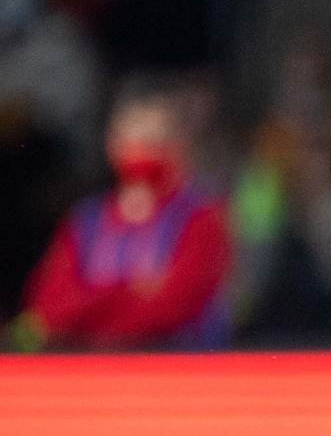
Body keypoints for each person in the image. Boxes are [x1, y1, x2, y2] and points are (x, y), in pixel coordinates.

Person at [15, 78, 230, 351]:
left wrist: (90, 300)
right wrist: (132, 291)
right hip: (90, 365)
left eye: (154, 142)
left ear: (179, 146)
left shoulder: (201, 219)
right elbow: (48, 307)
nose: (141, 152)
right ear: (112, 144)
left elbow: (172, 308)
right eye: (132, 141)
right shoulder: (87, 221)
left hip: (173, 366)